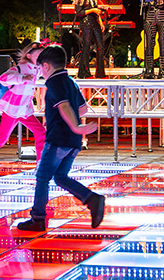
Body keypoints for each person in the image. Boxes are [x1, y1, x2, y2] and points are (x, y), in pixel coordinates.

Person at [16, 45, 105, 232]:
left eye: (40, 68)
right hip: (72, 142)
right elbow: (82, 108)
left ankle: (38, 218)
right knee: (60, 177)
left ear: (46, 66)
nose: (40, 72)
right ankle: (92, 199)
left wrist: (75, 126)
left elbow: (64, 106)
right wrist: (76, 127)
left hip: (58, 139)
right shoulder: (70, 81)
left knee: (42, 177)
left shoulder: (53, 83)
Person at [0, 40, 48, 177]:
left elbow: (48, 71)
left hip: (24, 110)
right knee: (2, 138)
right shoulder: (21, 68)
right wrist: (22, 78)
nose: (41, 58)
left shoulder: (37, 69)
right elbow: (3, 78)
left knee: (41, 132)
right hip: (13, 109)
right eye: (39, 55)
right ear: (29, 55)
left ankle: (41, 164)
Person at [73, 0, 105, 79]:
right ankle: (83, 72)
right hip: (86, 23)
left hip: (94, 22)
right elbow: (79, 12)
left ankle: (100, 73)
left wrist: (100, 21)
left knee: (100, 46)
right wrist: (92, 10)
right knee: (86, 47)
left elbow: (96, 9)